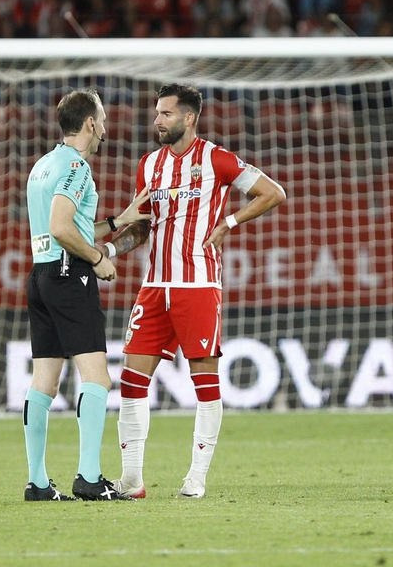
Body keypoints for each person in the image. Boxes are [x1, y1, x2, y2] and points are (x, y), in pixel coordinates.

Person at [116, 84, 286, 499]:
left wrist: (229, 222)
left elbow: (273, 192)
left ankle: (196, 479)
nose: (157, 121)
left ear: (189, 118)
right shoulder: (149, 165)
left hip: (198, 285)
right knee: (131, 381)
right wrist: (111, 248)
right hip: (154, 286)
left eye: (166, 114)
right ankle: (132, 481)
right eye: (157, 113)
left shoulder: (217, 159)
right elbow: (142, 225)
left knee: (204, 382)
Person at [22, 90, 151, 501]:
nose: (106, 128)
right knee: (97, 376)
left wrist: (118, 220)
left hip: (41, 273)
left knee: (43, 381)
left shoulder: (43, 165)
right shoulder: (77, 166)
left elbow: (63, 225)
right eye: (104, 120)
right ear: (91, 124)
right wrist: (97, 259)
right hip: (68, 273)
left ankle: (38, 483)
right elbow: (63, 228)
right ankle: (90, 479)